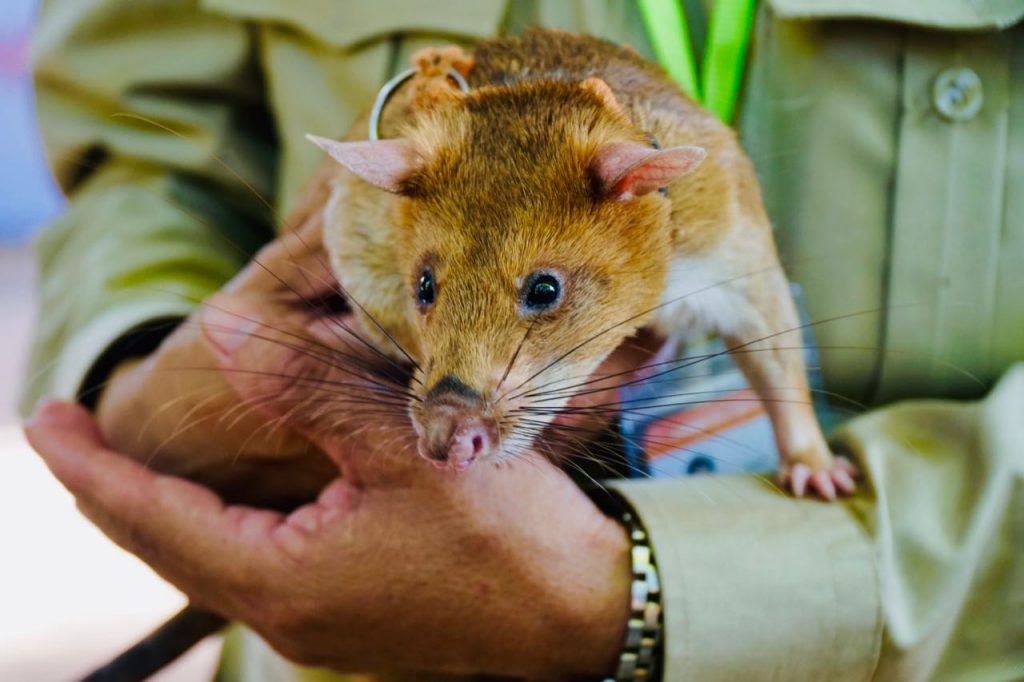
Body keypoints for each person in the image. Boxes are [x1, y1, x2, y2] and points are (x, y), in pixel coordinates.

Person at [22, 0, 1024, 680]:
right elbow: (146, 143)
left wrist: (646, 589)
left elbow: (755, 304)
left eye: (543, 293)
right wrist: (155, 367)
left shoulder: (696, 199)